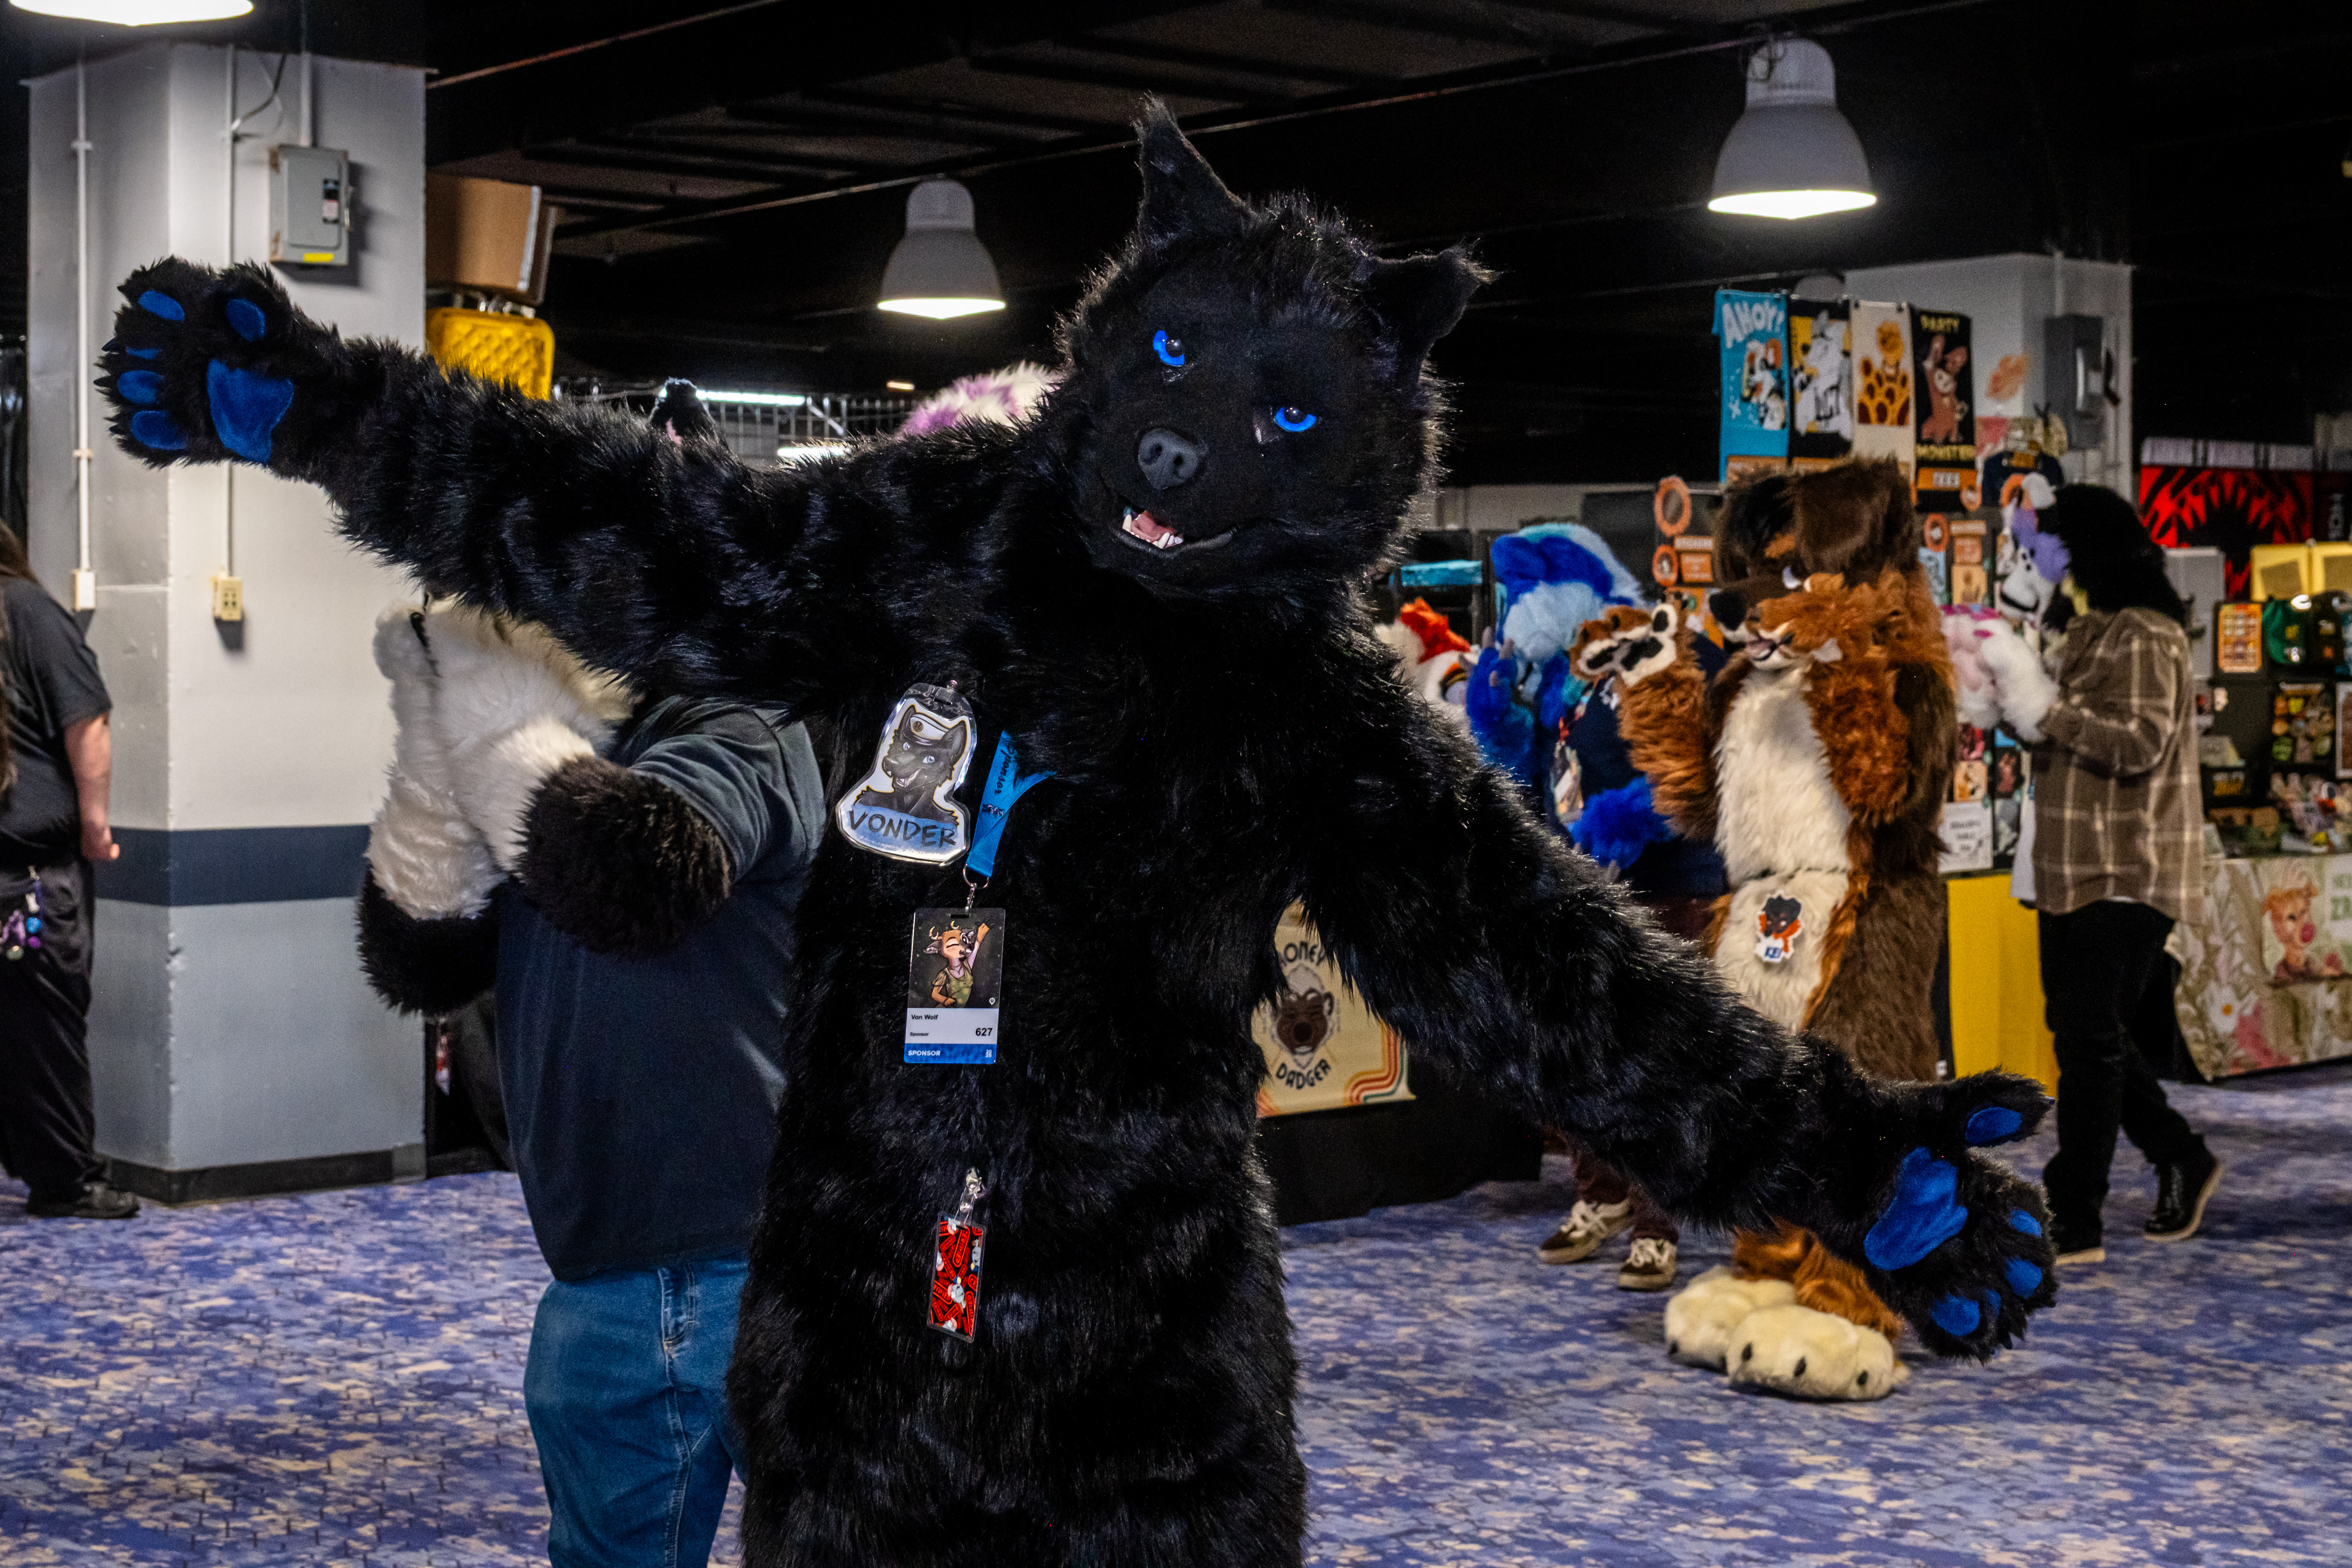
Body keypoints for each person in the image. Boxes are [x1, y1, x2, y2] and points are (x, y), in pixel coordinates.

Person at [355, 388, 826, 1567]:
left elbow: (637, 868)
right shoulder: (551, 740)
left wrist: (485, 720)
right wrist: (434, 761)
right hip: (600, 1275)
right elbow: (418, 956)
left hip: (758, 1262)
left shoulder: (742, 717)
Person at [1985, 483, 2218, 1266]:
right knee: (2089, 1036)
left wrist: (2045, 710)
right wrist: (2007, 699)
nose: (2037, 559)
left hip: (2127, 865)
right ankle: (2180, 1154)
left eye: (2047, 544)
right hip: (2068, 863)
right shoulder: (2085, 630)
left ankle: (2073, 1215)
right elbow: (2054, 733)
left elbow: (2139, 741)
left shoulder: (2148, 633)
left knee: (2089, 1041)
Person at [1532, 603, 1731, 1293]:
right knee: (1575, 1053)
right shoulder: (1574, 669)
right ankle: (1603, 1194)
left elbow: (1698, 774)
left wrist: (1628, 823)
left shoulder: (1686, 657)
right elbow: (1547, 763)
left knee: (1654, 1062)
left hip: (1672, 884)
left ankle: (1656, 1223)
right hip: (1583, 883)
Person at [0, 524, 137, 1221]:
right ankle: (64, 1184)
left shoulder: (22, 614)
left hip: (22, 874)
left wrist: (93, 823)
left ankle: (58, 1174)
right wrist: (95, 828)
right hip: (28, 874)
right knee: (41, 1032)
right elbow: (89, 724)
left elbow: (86, 725)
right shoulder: (28, 609)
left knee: (35, 1029)